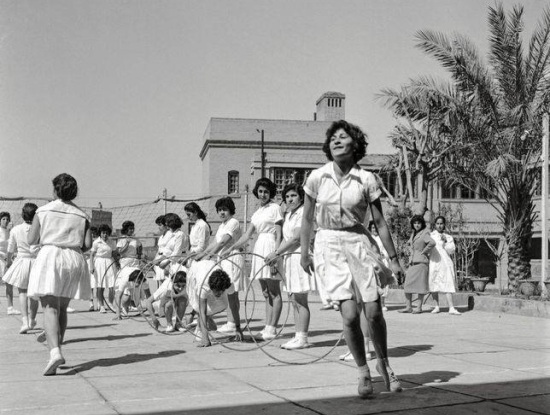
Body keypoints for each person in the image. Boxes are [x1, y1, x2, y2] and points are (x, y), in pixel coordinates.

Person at [300, 120, 403, 398]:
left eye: (342, 137)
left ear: (354, 145)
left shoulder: (366, 179)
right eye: (333, 137)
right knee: (348, 314)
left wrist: (393, 259)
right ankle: (363, 372)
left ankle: (385, 365)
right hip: (328, 245)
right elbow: (307, 218)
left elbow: (380, 222)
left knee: (373, 312)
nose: (336, 141)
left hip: (359, 242)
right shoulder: (317, 177)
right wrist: (304, 252)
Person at [27, 173, 92, 375]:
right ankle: (56, 350)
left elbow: (31, 239)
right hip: (74, 259)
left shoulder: (43, 210)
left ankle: (54, 352)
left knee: (49, 307)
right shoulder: (82, 215)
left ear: (55, 189)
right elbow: (87, 245)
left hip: (51, 256)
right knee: (62, 308)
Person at [228, 178, 283, 341]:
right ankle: (267, 327)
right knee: (266, 292)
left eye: (266, 191)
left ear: (270, 192)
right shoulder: (257, 212)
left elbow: (279, 234)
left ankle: (273, 328)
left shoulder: (275, 208)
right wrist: (232, 247)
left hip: (270, 246)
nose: (263, 194)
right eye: (260, 191)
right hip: (259, 246)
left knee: (274, 291)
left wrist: (276, 253)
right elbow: (247, 235)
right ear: (257, 192)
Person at [265, 183, 316, 350]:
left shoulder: (304, 212)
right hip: (289, 258)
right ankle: (298, 335)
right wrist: (278, 254)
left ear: (300, 196)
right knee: (293, 298)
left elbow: (296, 238)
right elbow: (286, 238)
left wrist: (277, 253)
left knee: (300, 298)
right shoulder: (288, 215)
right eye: (287, 197)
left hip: (299, 255)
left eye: (293, 195)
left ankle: (303, 337)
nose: (290, 199)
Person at [195, 197, 246, 337]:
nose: (222, 212)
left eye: (225, 209)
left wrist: (209, 255)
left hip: (232, 259)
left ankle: (232, 323)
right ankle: (230, 322)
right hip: (222, 260)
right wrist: (203, 254)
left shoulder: (233, 222)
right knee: (227, 292)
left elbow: (223, 242)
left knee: (232, 293)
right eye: (220, 210)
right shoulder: (222, 225)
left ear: (231, 210)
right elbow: (215, 242)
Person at [2, 203, 40, 333]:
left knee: (22, 292)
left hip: (22, 261)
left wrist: (8, 263)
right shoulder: (40, 229)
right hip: (36, 262)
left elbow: (10, 249)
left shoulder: (15, 229)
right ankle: (32, 319)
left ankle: (25, 321)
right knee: (34, 293)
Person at [186, 259, 234, 347]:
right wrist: (206, 339)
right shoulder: (203, 285)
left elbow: (234, 304)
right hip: (195, 274)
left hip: (210, 269)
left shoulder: (227, 283)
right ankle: (200, 329)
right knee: (198, 306)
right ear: (211, 287)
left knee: (223, 304)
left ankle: (207, 318)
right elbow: (202, 310)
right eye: (217, 291)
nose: (220, 294)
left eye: (222, 291)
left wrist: (238, 328)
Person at [399, 215, 436, 314]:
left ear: (422, 223)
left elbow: (432, 243)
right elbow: (411, 244)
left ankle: (419, 308)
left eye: (419, 223)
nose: (417, 225)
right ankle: (408, 307)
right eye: (415, 223)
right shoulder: (414, 233)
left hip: (421, 263)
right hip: (412, 263)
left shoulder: (425, 233)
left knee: (420, 286)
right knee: (407, 285)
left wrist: (424, 251)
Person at [429, 216, 461, 315]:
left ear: (444, 225)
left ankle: (451, 307)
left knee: (448, 283)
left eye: (441, 223)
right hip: (434, 262)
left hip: (445, 263)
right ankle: (436, 306)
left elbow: (451, 251)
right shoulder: (430, 235)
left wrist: (445, 241)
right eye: (437, 224)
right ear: (435, 225)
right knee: (434, 282)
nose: (439, 225)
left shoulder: (448, 237)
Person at [115, 220, 149, 309]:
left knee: (138, 281)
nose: (132, 230)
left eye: (133, 229)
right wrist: (127, 243)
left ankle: (136, 302)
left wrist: (141, 255)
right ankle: (124, 304)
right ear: (126, 229)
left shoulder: (135, 240)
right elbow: (120, 252)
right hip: (125, 262)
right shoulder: (122, 239)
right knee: (127, 284)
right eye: (130, 229)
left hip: (135, 263)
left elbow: (139, 252)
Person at [89, 224, 117, 314]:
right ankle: (101, 306)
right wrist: (92, 266)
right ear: (100, 233)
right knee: (100, 286)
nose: (105, 235)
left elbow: (114, 254)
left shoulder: (112, 242)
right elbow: (92, 255)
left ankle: (111, 303)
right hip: (99, 263)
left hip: (109, 262)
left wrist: (117, 263)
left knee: (112, 285)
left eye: (106, 233)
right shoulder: (96, 242)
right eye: (103, 233)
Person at [1, 211, 20, 315]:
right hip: (0, 259)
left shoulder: (11, 231)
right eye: (3, 219)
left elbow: (13, 246)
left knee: (9, 284)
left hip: (7, 260)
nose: (6, 221)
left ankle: (10, 307)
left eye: (7, 219)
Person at [152, 215, 170, 286]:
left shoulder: (170, 235)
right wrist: (154, 260)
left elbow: (170, 251)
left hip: (165, 259)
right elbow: (159, 249)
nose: (159, 227)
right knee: (161, 281)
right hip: (158, 259)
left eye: (160, 225)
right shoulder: (161, 236)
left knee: (167, 282)